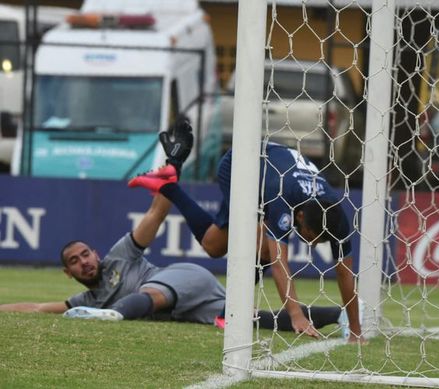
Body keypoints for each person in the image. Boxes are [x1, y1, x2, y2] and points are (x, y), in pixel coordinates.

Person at [0, 120, 347, 335]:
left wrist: (174, 162)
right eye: (75, 262)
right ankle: (338, 316)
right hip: (189, 304)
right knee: (246, 308)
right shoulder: (86, 300)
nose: (85, 261)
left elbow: (154, 216)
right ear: (67, 273)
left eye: (85, 253)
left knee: (154, 294)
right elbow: (38, 308)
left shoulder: (120, 257)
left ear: (97, 252)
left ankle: (115, 317)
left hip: (180, 279)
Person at [128, 122, 363, 342]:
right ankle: (227, 313)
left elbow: (345, 273)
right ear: (299, 216)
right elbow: (280, 261)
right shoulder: (283, 197)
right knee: (264, 243)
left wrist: (355, 330)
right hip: (240, 164)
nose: (310, 244)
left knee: (213, 245)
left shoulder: (337, 216)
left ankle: (168, 182)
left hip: (268, 167)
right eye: (309, 236)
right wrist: (296, 315)